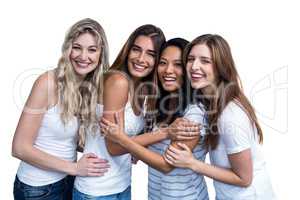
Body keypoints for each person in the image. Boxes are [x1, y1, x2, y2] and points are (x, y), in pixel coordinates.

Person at [164, 34, 275, 200]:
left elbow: (244, 178)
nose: (194, 66)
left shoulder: (230, 115)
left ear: (220, 67)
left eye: (205, 61)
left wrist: (192, 163)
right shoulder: (210, 103)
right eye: (191, 59)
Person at [11, 18, 110, 200]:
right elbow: (19, 148)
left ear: (101, 55)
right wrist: (74, 168)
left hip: (69, 180)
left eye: (92, 50)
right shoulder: (47, 82)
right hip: (38, 189)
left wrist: (121, 149)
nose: (83, 56)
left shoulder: (86, 88)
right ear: (68, 49)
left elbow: (70, 141)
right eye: (77, 47)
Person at [100, 38, 209, 200]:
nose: (168, 70)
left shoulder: (193, 112)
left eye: (177, 64)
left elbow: (166, 165)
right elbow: (150, 144)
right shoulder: (160, 106)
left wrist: (123, 139)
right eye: (163, 63)